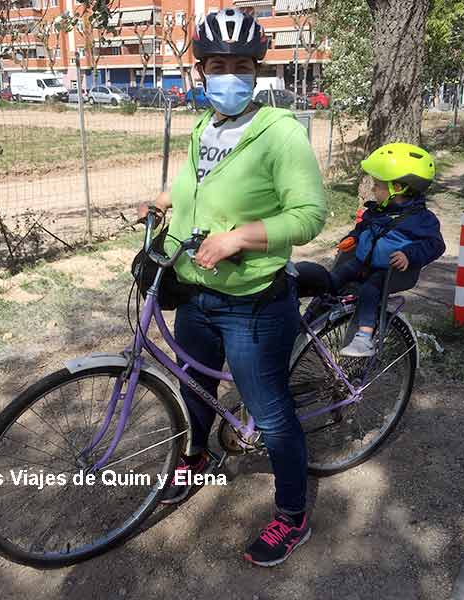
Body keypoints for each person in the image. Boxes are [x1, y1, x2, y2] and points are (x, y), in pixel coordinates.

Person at [136, 8, 326, 567]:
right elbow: (195, 181)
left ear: (256, 70)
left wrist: (241, 237)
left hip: (253, 305)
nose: (229, 76)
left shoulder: (280, 133)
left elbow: (310, 215)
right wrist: (167, 201)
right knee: (195, 384)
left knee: (271, 413)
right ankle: (196, 457)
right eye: (217, 65)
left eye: (240, 66)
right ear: (201, 71)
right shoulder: (205, 127)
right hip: (196, 292)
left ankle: (292, 516)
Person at [324, 143, 445, 357]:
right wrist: (352, 238)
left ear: (397, 188)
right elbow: (363, 228)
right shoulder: (379, 210)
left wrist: (409, 255)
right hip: (362, 263)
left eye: (377, 185)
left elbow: (435, 245)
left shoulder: (421, 220)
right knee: (336, 276)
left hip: (387, 271)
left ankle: (364, 338)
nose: (373, 189)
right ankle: (325, 306)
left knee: (369, 291)